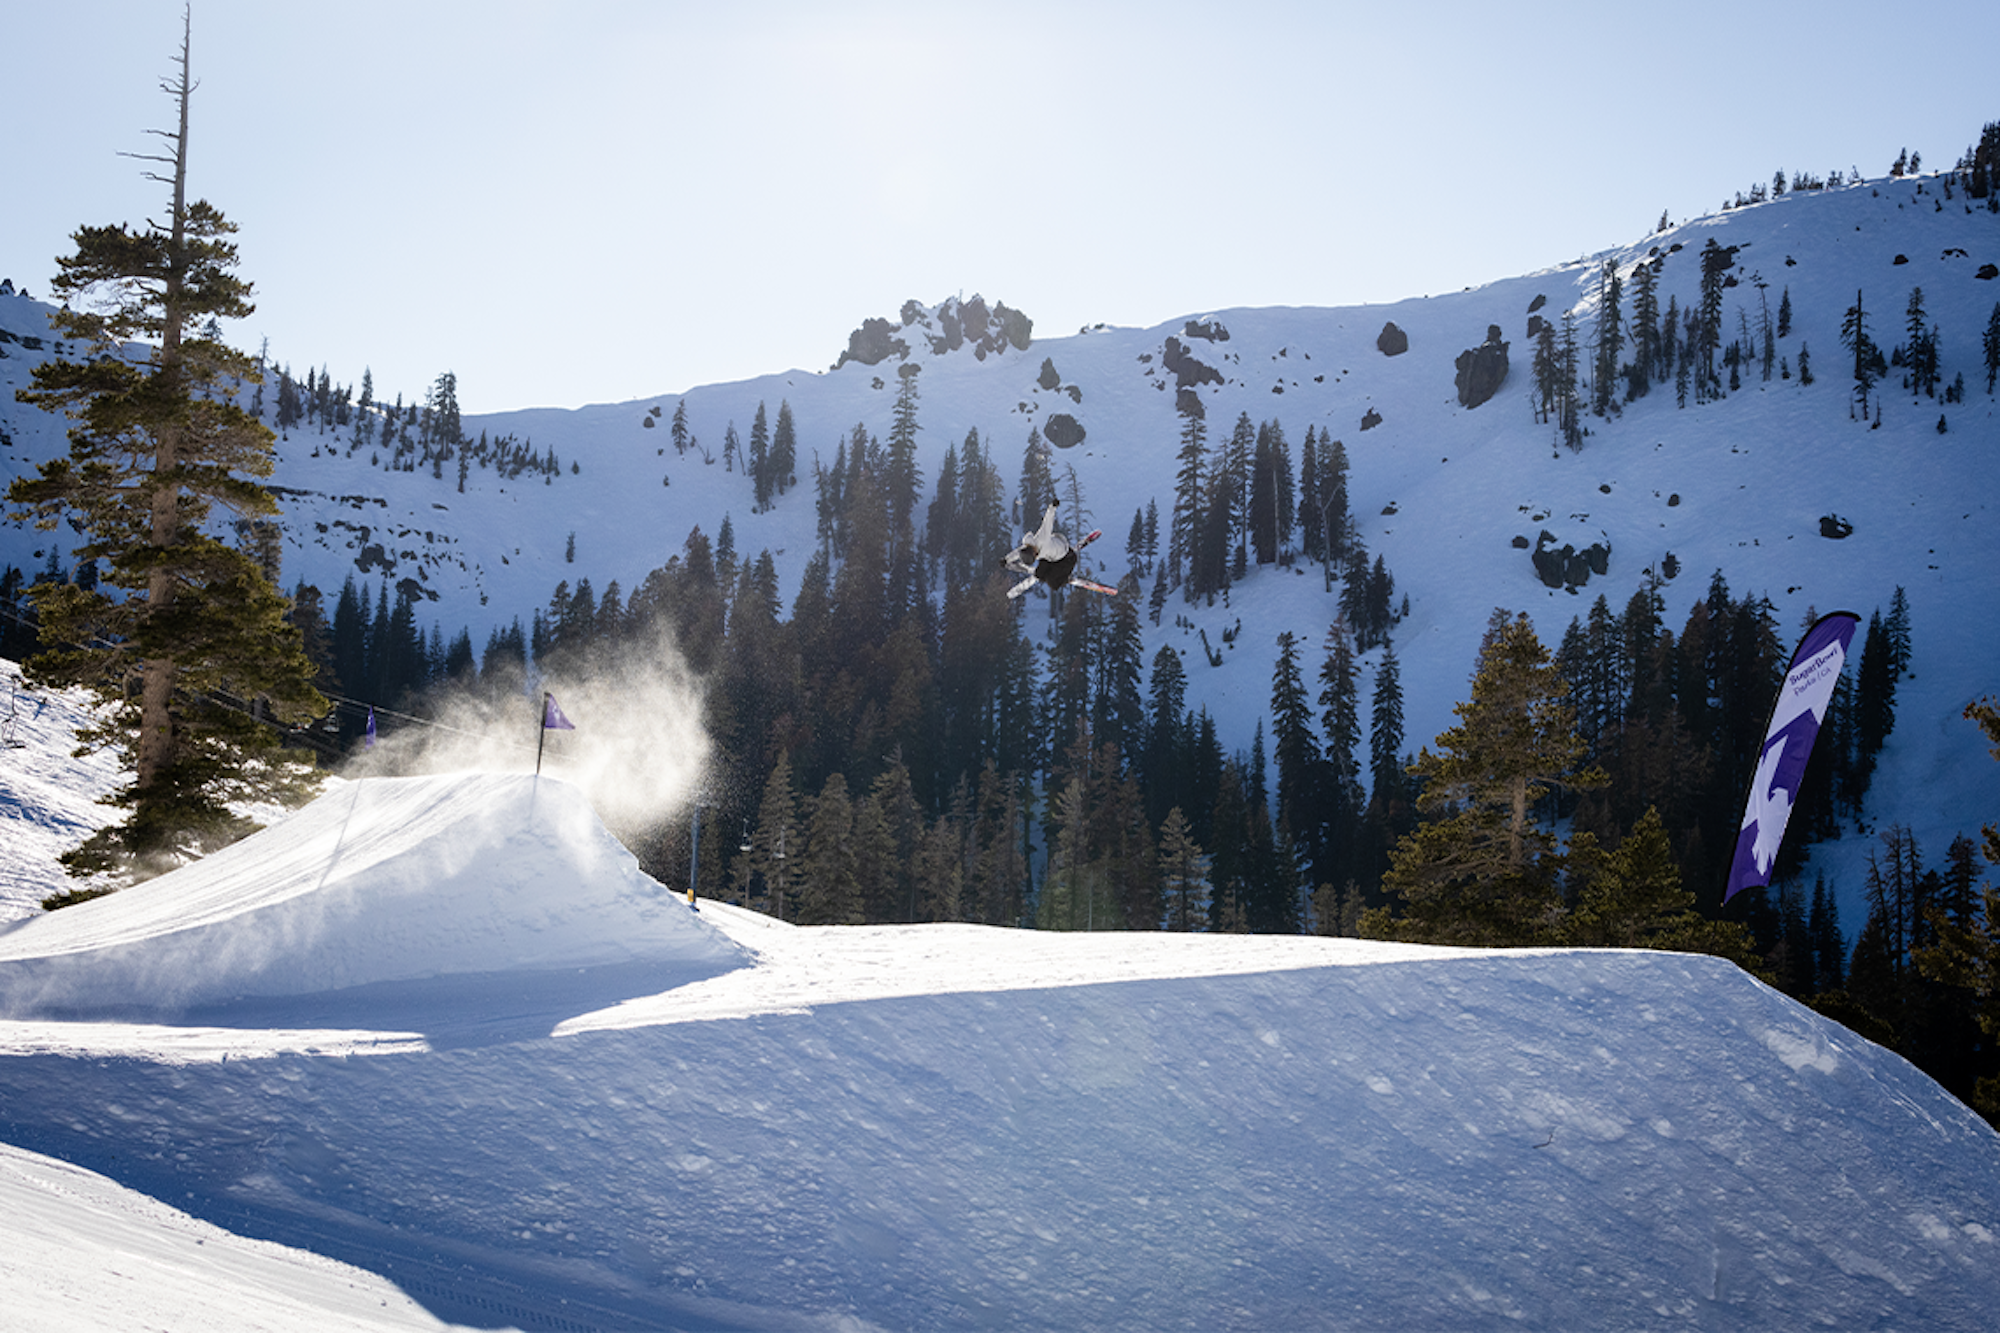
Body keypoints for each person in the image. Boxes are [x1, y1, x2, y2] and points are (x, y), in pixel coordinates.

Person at [1005, 502, 1079, 593]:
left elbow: (1047, 521)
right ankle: (1049, 573)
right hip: (1050, 557)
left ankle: (1065, 579)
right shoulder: (1028, 545)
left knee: (1053, 583)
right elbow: (1018, 552)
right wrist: (1006, 560)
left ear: (1032, 551)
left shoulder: (1042, 539)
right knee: (1039, 575)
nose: (1036, 555)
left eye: (1035, 555)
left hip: (1066, 558)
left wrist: (1052, 507)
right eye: (1035, 557)